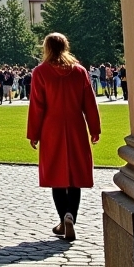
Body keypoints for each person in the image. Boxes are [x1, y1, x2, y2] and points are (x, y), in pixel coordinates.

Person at [27, 32, 101, 242]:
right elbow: (89, 103)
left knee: (56, 175)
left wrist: (34, 133)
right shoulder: (79, 71)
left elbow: (37, 106)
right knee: (74, 175)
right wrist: (94, 129)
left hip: (52, 127)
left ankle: (62, 218)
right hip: (76, 125)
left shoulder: (41, 72)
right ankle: (71, 217)